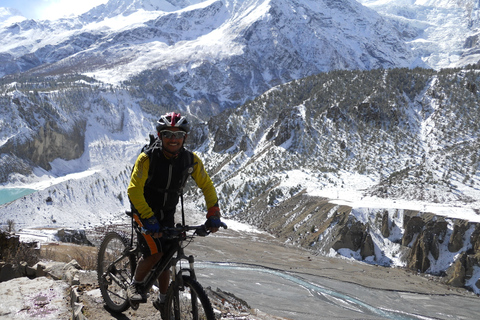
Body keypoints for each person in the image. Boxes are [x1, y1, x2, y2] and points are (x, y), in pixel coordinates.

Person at [126, 112, 222, 312]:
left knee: (168, 255)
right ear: (160, 136)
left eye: (178, 135)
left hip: (168, 211)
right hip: (143, 210)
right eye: (168, 134)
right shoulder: (147, 158)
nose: (173, 139)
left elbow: (207, 186)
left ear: (184, 138)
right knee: (155, 252)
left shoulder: (190, 160)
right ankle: (135, 285)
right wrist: (148, 217)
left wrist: (213, 213)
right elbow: (134, 190)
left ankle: (163, 299)